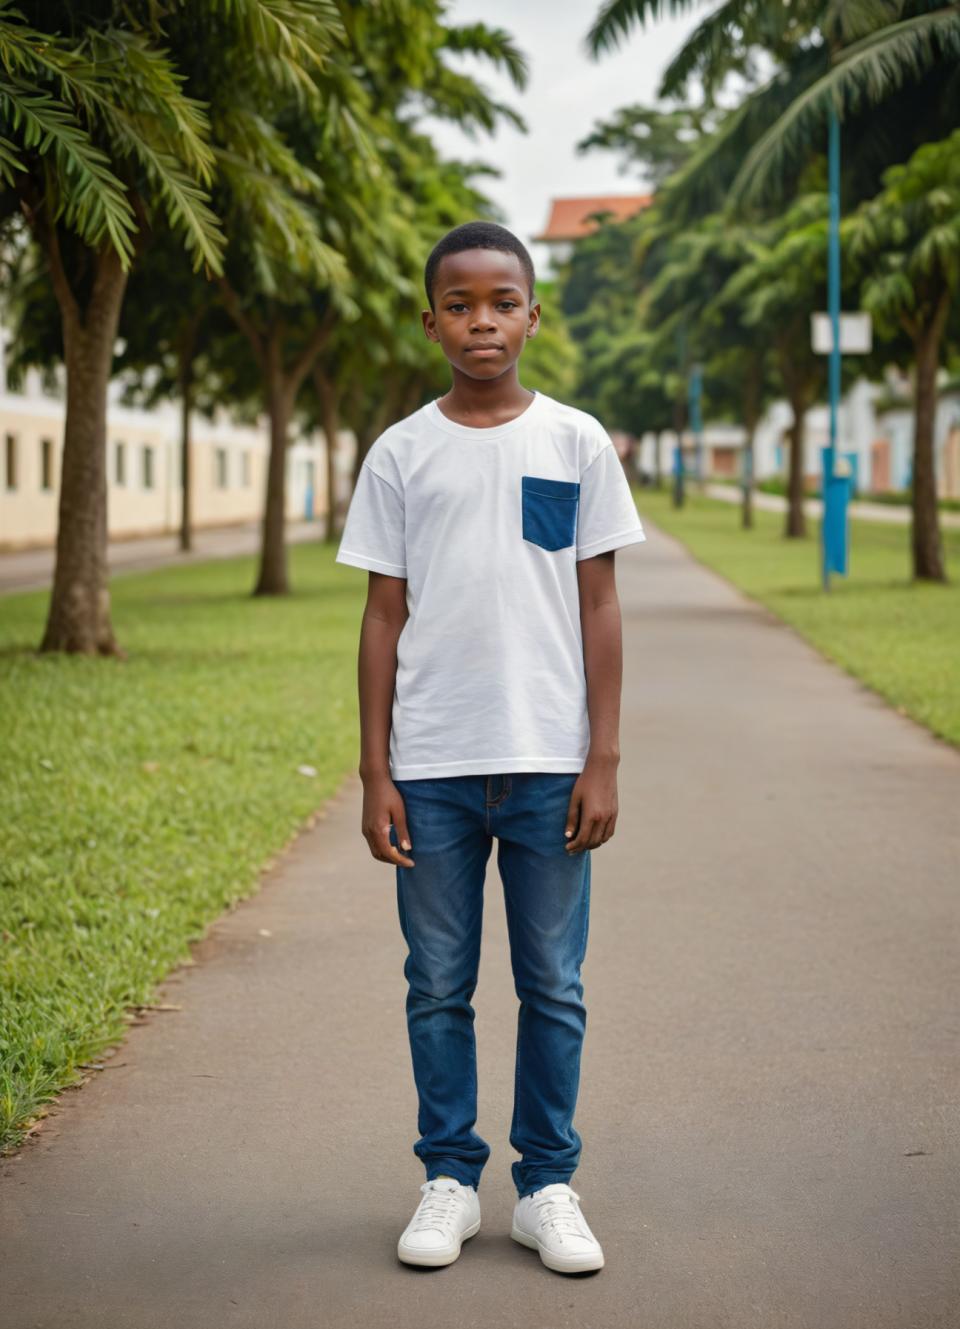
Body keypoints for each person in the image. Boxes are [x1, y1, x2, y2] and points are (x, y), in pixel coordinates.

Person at [335, 221, 646, 1275]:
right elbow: (383, 617)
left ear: (531, 314)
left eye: (501, 301)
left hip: (552, 761)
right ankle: (450, 1181)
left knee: (553, 981)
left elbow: (598, 604)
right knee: (438, 982)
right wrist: (375, 770)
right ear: (431, 322)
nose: (482, 320)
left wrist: (603, 757)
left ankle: (548, 1186)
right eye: (460, 304)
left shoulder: (574, 441)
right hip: (431, 767)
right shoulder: (402, 452)